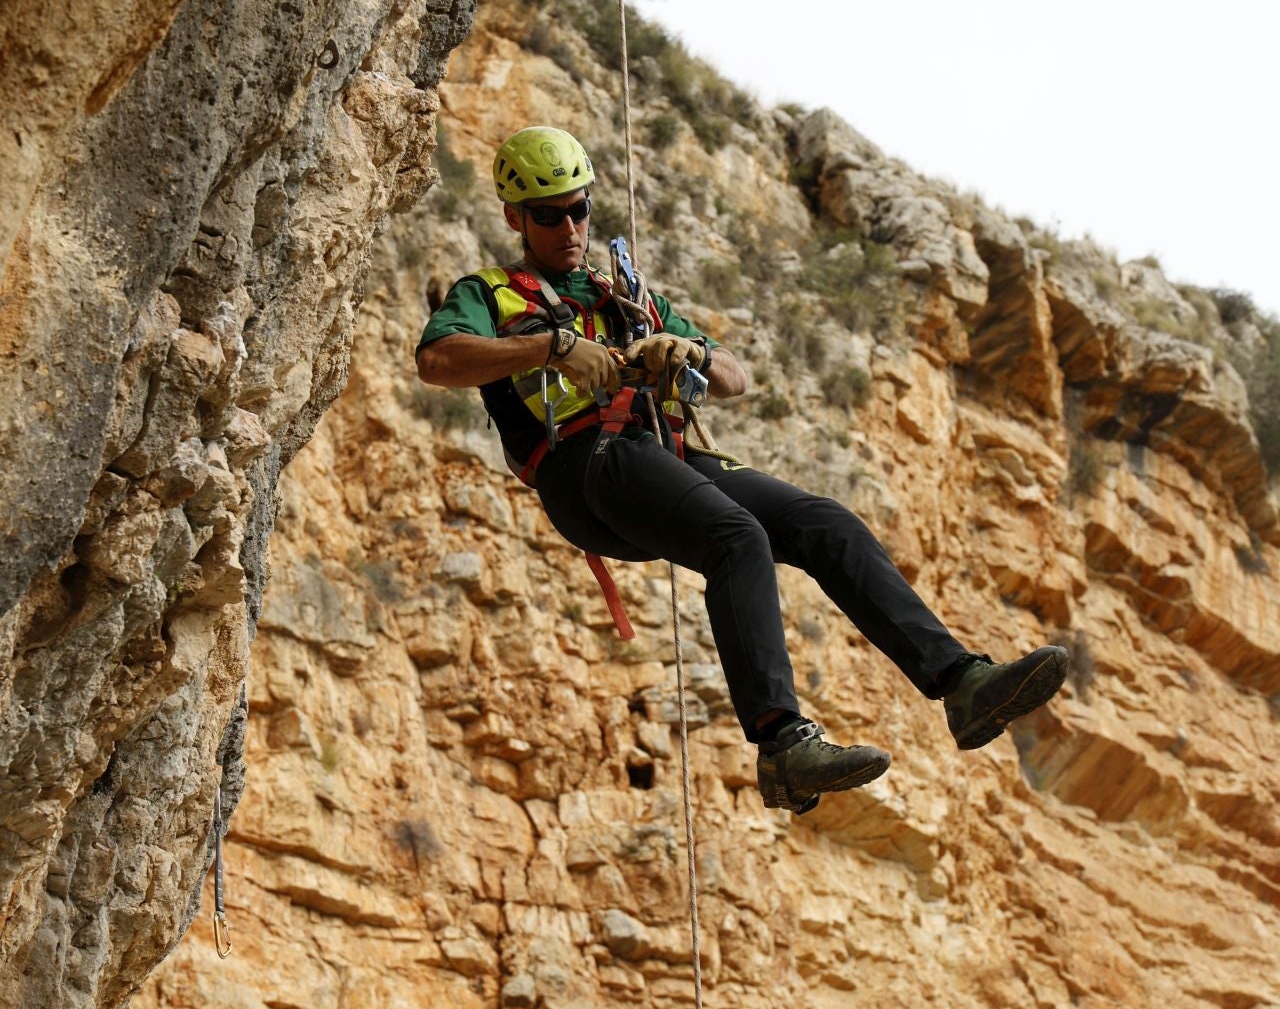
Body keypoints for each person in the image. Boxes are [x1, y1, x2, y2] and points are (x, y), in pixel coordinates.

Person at [415, 126, 1068, 814]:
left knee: (823, 523)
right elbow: (439, 361)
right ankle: (783, 744)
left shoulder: (626, 297)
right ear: (516, 217)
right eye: (548, 214)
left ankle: (962, 683)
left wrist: (685, 354)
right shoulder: (490, 294)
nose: (569, 226)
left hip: (665, 456)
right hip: (585, 465)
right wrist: (554, 348)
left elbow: (736, 378)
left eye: (578, 208)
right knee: (737, 536)